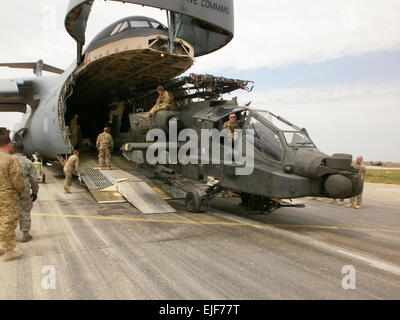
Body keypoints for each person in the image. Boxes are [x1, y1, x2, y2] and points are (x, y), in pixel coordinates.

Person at [0, 135, 25, 262]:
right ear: (9, 145)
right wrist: (20, 192)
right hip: (6, 196)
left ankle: (2, 247)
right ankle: (9, 252)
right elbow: (17, 180)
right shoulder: (10, 159)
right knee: (8, 222)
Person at [11, 143, 39, 242]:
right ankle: (25, 234)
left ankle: (7, 235)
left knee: (8, 212)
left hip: (8, 191)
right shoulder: (28, 162)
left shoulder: (6, 161)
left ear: (13, 149)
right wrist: (35, 191)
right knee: (25, 210)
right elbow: (34, 179)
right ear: (22, 150)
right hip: (23, 190)